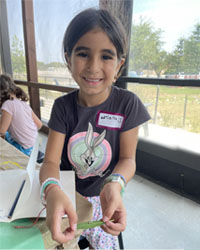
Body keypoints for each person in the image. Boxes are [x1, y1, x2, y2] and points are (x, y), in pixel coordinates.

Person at [39, 8, 151, 249]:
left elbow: (128, 158)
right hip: (68, 194)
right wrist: (51, 189)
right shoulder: (62, 107)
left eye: (106, 56)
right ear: (69, 59)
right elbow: (50, 162)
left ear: (119, 65)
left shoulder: (128, 104)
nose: (93, 66)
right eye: (83, 54)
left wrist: (116, 183)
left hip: (105, 197)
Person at [0, 74, 42, 156]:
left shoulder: (8, 104)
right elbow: (39, 125)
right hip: (35, 145)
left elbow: (2, 131)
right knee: (9, 135)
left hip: (24, 149)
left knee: (5, 137)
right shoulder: (23, 104)